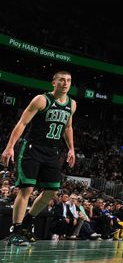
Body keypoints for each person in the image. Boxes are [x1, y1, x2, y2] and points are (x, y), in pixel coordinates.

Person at [1, 70, 77, 246]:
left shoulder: (72, 104)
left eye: (68, 81)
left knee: (51, 191)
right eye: (61, 80)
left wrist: (71, 148)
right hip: (32, 149)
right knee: (26, 189)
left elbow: (68, 127)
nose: (65, 83)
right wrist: (10, 146)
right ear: (53, 82)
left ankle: (28, 220)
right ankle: (16, 230)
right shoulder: (41, 100)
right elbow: (22, 123)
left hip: (52, 152)